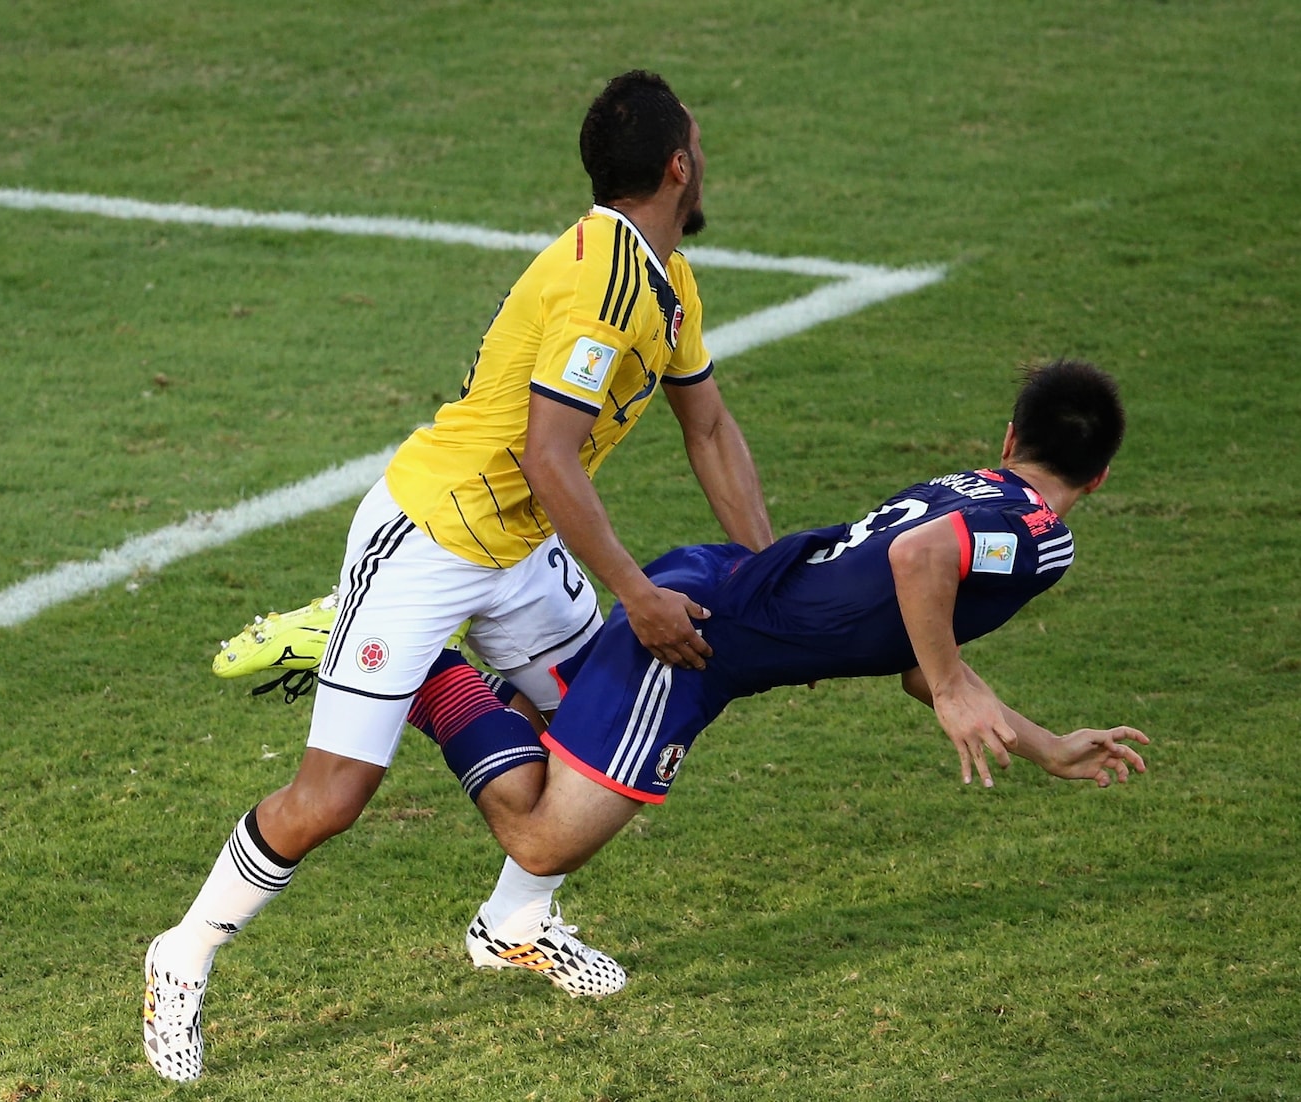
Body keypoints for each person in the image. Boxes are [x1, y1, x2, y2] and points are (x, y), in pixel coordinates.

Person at [142, 70, 774, 1082]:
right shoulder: (603, 282)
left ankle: (512, 921)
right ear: (676, 165)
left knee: (612, 731)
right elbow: (546, 454)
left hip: (517, 546)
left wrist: (766, 573)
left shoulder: (666, 278)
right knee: (332, 796)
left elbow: (708, 424)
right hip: (428, 538)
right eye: (702, 145)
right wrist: (635, 594)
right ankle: (179, 956)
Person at [235, 359, 1148, 994]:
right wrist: (955, 687)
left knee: (558, 759)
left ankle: (505, 913)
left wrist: (1044, 746)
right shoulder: (1040, 533)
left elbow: (916, 644)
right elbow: (919, 566)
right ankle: (422, 671)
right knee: (546, 839)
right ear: (1099, 479)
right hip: (698, 648)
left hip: (708, 584)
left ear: (1009, 435)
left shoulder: (977, 485)